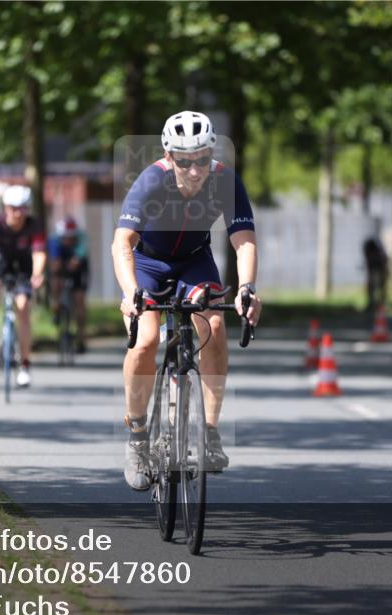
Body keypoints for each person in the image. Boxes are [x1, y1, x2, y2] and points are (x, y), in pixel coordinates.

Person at [112, 110, 263, 491]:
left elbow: (243, 239)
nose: (194, 170)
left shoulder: (225, 180)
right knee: (145, 340)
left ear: (210, 152)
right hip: (148, 264)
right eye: (184, 161)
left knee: (213, 324)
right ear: (169, 155)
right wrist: (131, 293)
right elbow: (122, 243)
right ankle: (138, 437)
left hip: (195, 262)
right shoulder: (151, 180)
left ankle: (209, 432)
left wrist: (247, 287)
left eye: (201, 159)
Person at [0, 184, 47, 388]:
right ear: (6, 208)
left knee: (23, 308)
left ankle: (24, 365)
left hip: (23, 268)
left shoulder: (34, 225)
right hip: (1, 263)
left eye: (23, 208)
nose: (18, 213)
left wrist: (38, 274)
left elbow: (39, 253)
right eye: (13, 208)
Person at [48, 216, 90, 353]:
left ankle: (81, 337)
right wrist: (57, 266)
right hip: (61, 266)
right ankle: (56, 306)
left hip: (79, 270)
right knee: (55, 278)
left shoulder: (82, 239)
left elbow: (79, 259)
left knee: (79, 301)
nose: (68, 241)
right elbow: (55, 261)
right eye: (65, 238)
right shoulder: (54, 240)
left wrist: (75, 261)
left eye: (71, 238)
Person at [362, 235, 388, 313]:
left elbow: (383, 262)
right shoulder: (375, 251)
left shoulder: (376, 252)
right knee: (374, 287)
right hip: (376, 269)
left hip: (378, 269)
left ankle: (379, 304)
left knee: (378, 287)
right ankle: (375, 304)